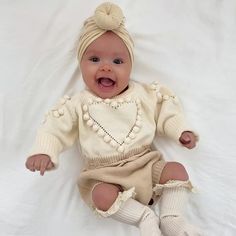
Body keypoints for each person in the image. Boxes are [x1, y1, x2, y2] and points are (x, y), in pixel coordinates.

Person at [25, 2, 201, 236]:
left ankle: (171, 219)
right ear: (80, 64)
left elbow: (166, 112)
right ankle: (145, 217)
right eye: (95, 60)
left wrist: (180, 130)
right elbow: (54, 128)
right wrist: (45, 151)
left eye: (117, 62)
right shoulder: (77, 103)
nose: (106, 68)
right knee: (101, 195)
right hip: (104, 174)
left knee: (176, 170)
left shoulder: (144, 94)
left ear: (131, 66)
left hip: (146, 165)